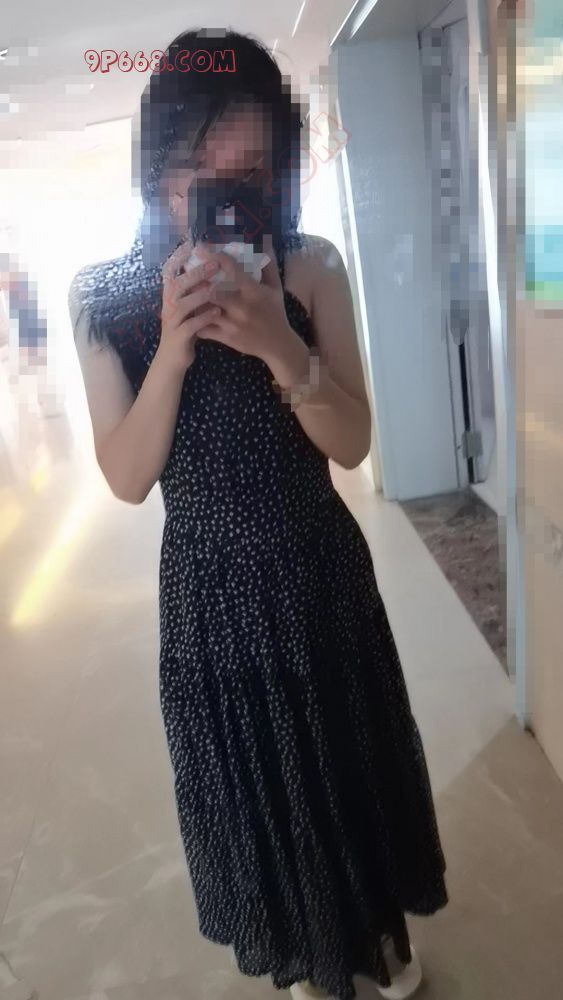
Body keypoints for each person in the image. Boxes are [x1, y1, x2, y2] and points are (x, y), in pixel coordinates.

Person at [67, 28, 448, 1000]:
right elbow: (125, 476)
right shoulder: (106, 297)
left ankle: (376, 936)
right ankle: (311, 950)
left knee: (349, 760)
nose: (230, 196)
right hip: (209, 595)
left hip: (318, 570)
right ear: (159, 167)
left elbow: (351, 442)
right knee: (262, 784)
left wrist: (282, 345)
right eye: (205, 173)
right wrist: (173, 350)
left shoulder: (309, 264)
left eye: (252, 172)